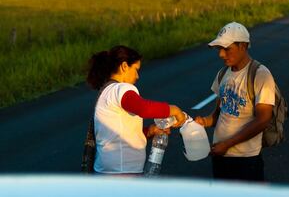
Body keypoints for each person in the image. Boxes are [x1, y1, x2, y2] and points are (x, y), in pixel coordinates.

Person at [86, 45, 186, 175]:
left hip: (110, 170)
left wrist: (149, 131)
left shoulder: (106, 91)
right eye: (136, 69)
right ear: (124, 66)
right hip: (120, 173)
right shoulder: (121, 89)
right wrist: (174, 110)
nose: (137, 76)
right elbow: (143, 108)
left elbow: (119, 135)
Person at [195, 22, 276, 181]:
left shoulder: (260, 75)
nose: (221, 54)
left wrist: (228, 144)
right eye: (220, 49)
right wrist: (203, 121)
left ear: (243, 46)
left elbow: (263, 119)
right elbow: (219, 113)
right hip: (220, 155)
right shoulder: (223, 73)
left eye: (227, 49)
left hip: (245, 159)